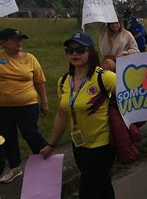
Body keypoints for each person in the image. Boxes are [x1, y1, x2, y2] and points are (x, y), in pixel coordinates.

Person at [40, 32, 116, 199]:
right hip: (79, 145)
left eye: (80, 49)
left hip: (102, 145)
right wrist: (51, 144)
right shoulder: (64, 81)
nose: (74, 54)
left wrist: (145, 76)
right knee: (102, 186)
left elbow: (131, 95)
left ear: (91, 52)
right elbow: (62, 114)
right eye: (70, 50)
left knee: (88, 189)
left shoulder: (105, 78)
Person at [0, 28, 48, 183]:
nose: (20, 42)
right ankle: (15, 168)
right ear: (3, 42)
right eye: (15, 39)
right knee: (8, 138)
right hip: (3, 107)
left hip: (27, 105)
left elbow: (39, 81)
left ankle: (48, 163)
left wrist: (45, 101)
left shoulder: (30, 58)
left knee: (31, 134)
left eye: (21, 39)